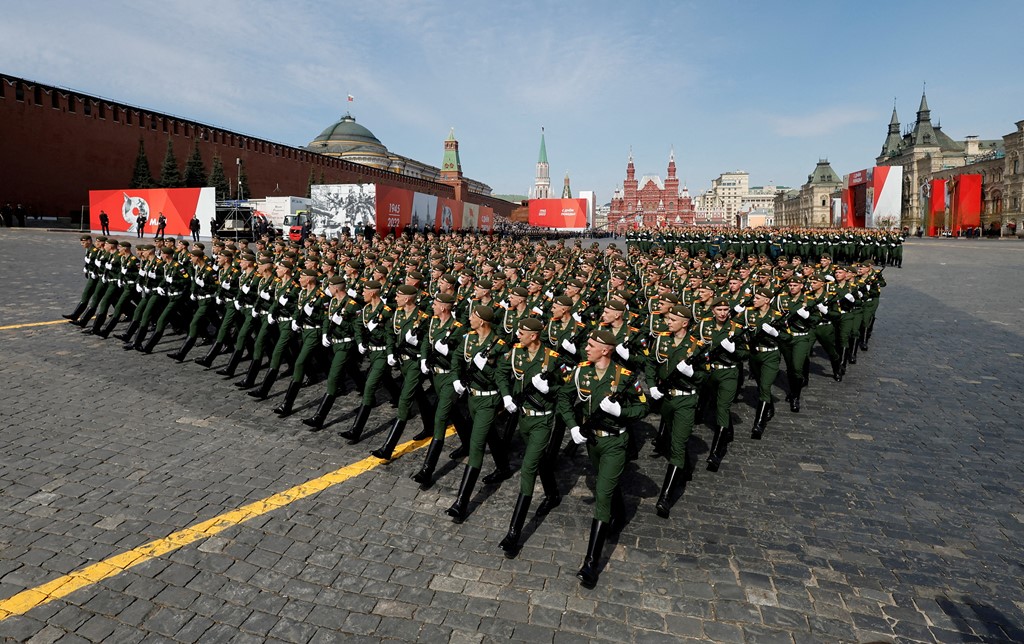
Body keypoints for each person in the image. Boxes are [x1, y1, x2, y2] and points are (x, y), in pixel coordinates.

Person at [558, 329, 648, 588]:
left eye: (591, 344)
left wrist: (621, 410)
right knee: (606, 483)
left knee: (602, 493)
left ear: (606, 350)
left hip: (614, 442)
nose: (586, 348)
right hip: (592, 442)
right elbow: (564, 398)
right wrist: (573, 427)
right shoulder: (581, 371)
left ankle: (590, 564)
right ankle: (618, 514)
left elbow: (643, 407)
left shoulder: (626, 377)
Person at [494, 317, 564, 558]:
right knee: (539, 456)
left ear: (534, 336)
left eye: (522, 332)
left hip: (543, 420)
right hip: (523, 418)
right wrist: (506, 396)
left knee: (528, 469)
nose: (517, 334)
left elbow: (566, 388)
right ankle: (553, 493)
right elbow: (501, 374)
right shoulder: (515, 353)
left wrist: (549, 389)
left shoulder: (552, 359)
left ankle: (514, 533)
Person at [446, 305, 511, 524]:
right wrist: (456, 379)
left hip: (489, 400)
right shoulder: (469, 339)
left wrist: (488, 370)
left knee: (476, 446)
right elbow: (456, 358)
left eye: (472, 316)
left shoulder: (500, 347)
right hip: (472, 398)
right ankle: (503, 467)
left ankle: (461, 502)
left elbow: (502, 376)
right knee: (489, 434)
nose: (469, 318)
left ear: (482, 321)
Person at [645, 306, 705, 517]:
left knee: (677, 446)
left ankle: (666, 497)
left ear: (685, 323)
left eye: (672, 319)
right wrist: (651, 385)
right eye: (668, 318)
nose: (668, 322)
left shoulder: (696, 346)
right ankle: (686, 466)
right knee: (673, 437)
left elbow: (704, 377)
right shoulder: (662, 340)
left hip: (685, 399)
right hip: (665, 398)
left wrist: (693, 374)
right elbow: (651, 363)